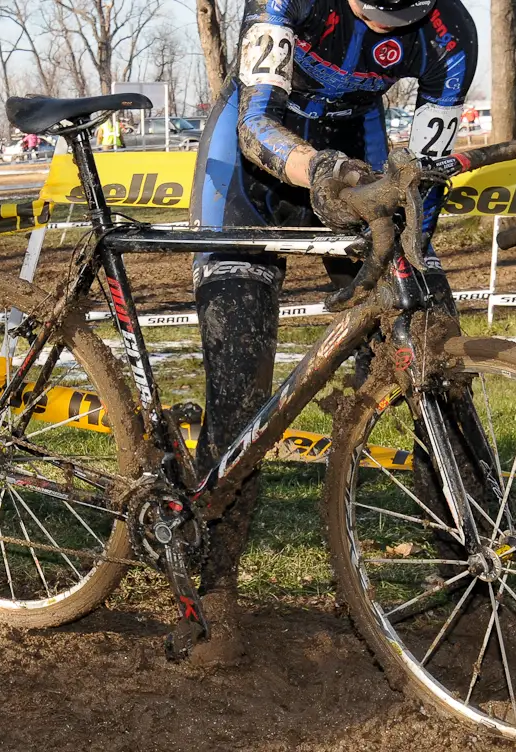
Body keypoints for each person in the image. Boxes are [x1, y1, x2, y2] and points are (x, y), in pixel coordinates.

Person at [188, 0, 477, 659]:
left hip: (356, 156)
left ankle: (469, 567)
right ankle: (214, 599)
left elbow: (429, 169)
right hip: (249, 174)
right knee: (238, 402)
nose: (383, 31)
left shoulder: (448, 35)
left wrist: (408, 261)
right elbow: (257, 126)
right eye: (372, 13)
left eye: (398, 19)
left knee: (439, 355)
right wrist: (320, 172)